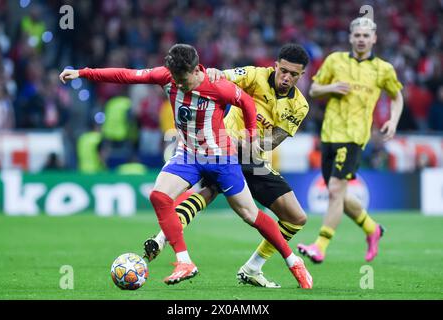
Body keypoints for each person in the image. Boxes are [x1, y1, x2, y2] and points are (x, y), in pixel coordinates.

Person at [59, 43, 312, 288]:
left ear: (194, 70)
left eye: (294, 74)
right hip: (190, 153)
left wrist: (251, 137)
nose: (179, 84)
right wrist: (83, 72)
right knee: (159, 196)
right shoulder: (175, 76)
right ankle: (183, 261)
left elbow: (245, 102)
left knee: (252, 214)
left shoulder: (224, 90)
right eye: (284, 70)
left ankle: (292, 261)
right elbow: (126, 75)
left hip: (225, 156)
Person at [143, 43, 311, 288]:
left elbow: (276, 138)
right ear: (276, 65)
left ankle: (253, 267)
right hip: (222, 146)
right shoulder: (256, 75)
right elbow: (222, 76)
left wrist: (252, 143)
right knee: (211, 192)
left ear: (301, 75)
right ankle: (162, 239)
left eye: (293, 74)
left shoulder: (300, 106)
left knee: (296, 218)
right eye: (283, 70)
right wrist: (213, 72)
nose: (286, 77)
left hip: (253, 156)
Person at [297, 17, 404, 263]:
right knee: (340, 194)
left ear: (374, 39)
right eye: (357, 35)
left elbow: (397, 97)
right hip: (329, 134)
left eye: (366, 36)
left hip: (354, 136)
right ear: (350, 37)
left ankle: (320, 246)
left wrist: (393, 121)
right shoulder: (335, 60)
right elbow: (313, 90)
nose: (361, 39)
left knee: (335, 189)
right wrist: (331, 87)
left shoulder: (383, 69)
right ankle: (372, 229)